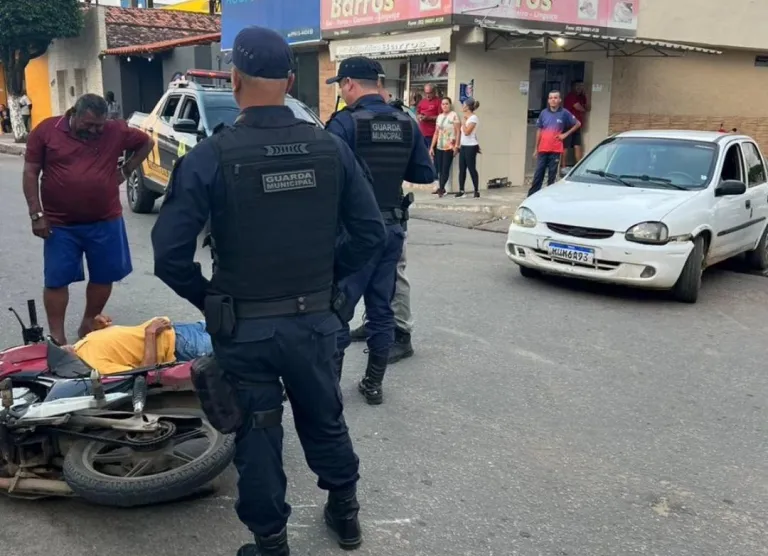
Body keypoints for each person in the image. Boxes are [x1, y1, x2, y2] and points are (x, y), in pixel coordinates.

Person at [150, 26, 386, 556]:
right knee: (325, 416)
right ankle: (345, 517)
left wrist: (210, 298)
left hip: (246, 328)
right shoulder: (331, 148)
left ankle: (270, 543)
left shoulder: (212, 156)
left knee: (256, 433)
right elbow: (370, 234)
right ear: (292, 79)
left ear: (233, 81)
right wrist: (339, 290)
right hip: (317, 321)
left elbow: (169, 254)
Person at [325, 56, 435, 403]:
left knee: (338, 308)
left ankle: (332, 389)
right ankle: (373, 385)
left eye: (341, 86)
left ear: (350, 85)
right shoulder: (407, 121)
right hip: (390, 229)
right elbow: (425, 174)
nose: (342, 92)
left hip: (352, 234)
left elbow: (326, 180)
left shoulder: (343, 124)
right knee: (381, 308)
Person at [22, 94, 153, 345]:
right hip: (60, 224)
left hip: (106, 220)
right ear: (74, 114)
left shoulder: (115, 131)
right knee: (56, 279)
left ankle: (88, 323)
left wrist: (125, 171)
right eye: (88, 125)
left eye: (99, 126)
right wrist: (36, 214)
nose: (94, 131)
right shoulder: (47, 131)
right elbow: (30, 171)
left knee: (104, 276)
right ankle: (57, 337)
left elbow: (146, 143)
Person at [66, 314, 211, 374]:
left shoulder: (78, 347)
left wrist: (99, 326)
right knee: (232, 343)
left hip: (180, 330)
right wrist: (150, 333)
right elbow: (144, 373)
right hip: (183, 345)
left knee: (230, 318)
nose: (61, 346)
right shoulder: (95, 365)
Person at [528, 91, 581, 197]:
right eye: (551, 98)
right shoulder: (543, 113)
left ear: (559, 100)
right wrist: (536, 148)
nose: (553, 100)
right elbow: (539, 131)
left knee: (552, 176)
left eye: (555, 98)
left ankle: (549, 197)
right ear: (548, 100)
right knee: (538, 174)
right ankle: (531, 197)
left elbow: (578, 124)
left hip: (555, 150)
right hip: (543, 149)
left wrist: (565, 135)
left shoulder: (564, 113)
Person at [430, 97, 461, 197]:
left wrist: (457, 145)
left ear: (450, 105)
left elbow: (458, 132)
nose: (445, 106)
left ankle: (441, 188)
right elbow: (436, 133)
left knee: (445, 168)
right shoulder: (439, 117)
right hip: (440, 146)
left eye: (446, 104)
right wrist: (431, 147)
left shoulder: (454, 116)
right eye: (443, 104)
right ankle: (441, 187)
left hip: (449, 146)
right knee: (439, 169)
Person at [457, 97, 481, 198]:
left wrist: (463, 122)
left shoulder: (473, 118)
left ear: (467, 106)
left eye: (463, 105)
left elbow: (467, 132)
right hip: (463, 146)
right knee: (462, 168)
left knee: (471, 168)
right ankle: (461, 190)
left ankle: (476, 190)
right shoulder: (466, 118)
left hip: (471, 146)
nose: (462, 107)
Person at [563, 81, 589, 165]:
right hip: (568, 124)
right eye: (577, 86)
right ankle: (562, 166)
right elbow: (579, 107)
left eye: (581, 86)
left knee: (577, 144)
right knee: (565, 146)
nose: (579, 88)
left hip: (577, 125)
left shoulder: (581, 97)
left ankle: (578, 165)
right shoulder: (571, 96)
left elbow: (587, 106)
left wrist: (585, 94)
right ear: (573, 87)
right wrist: (584, 109)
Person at [416, 83, 441, 149]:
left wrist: (428, 118)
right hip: (421, 133)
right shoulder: (422, 101)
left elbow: (441, 117)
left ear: (434, 92)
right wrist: (419, 116)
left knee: (431, 155)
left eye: (429, 93)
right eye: (426, 93)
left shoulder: (438, 101)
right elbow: (417, 112)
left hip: (432, 134)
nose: (427, 95)